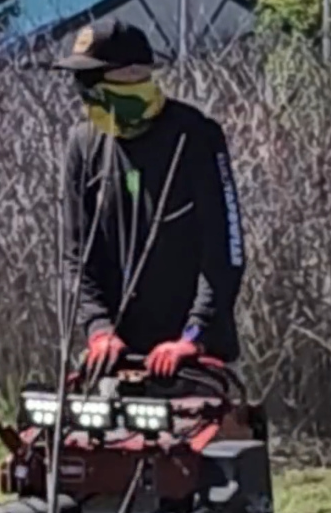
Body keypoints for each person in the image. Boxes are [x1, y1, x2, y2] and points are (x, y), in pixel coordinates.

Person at [58, 19, 245, 378]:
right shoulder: (82, 142)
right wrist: (98, 329)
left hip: (192, 356)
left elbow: (226, 250)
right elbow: (75, 257)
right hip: (114, 357)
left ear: (133, 75)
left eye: (91, 78)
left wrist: (194, 335)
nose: (82, 91)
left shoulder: (196, 136)